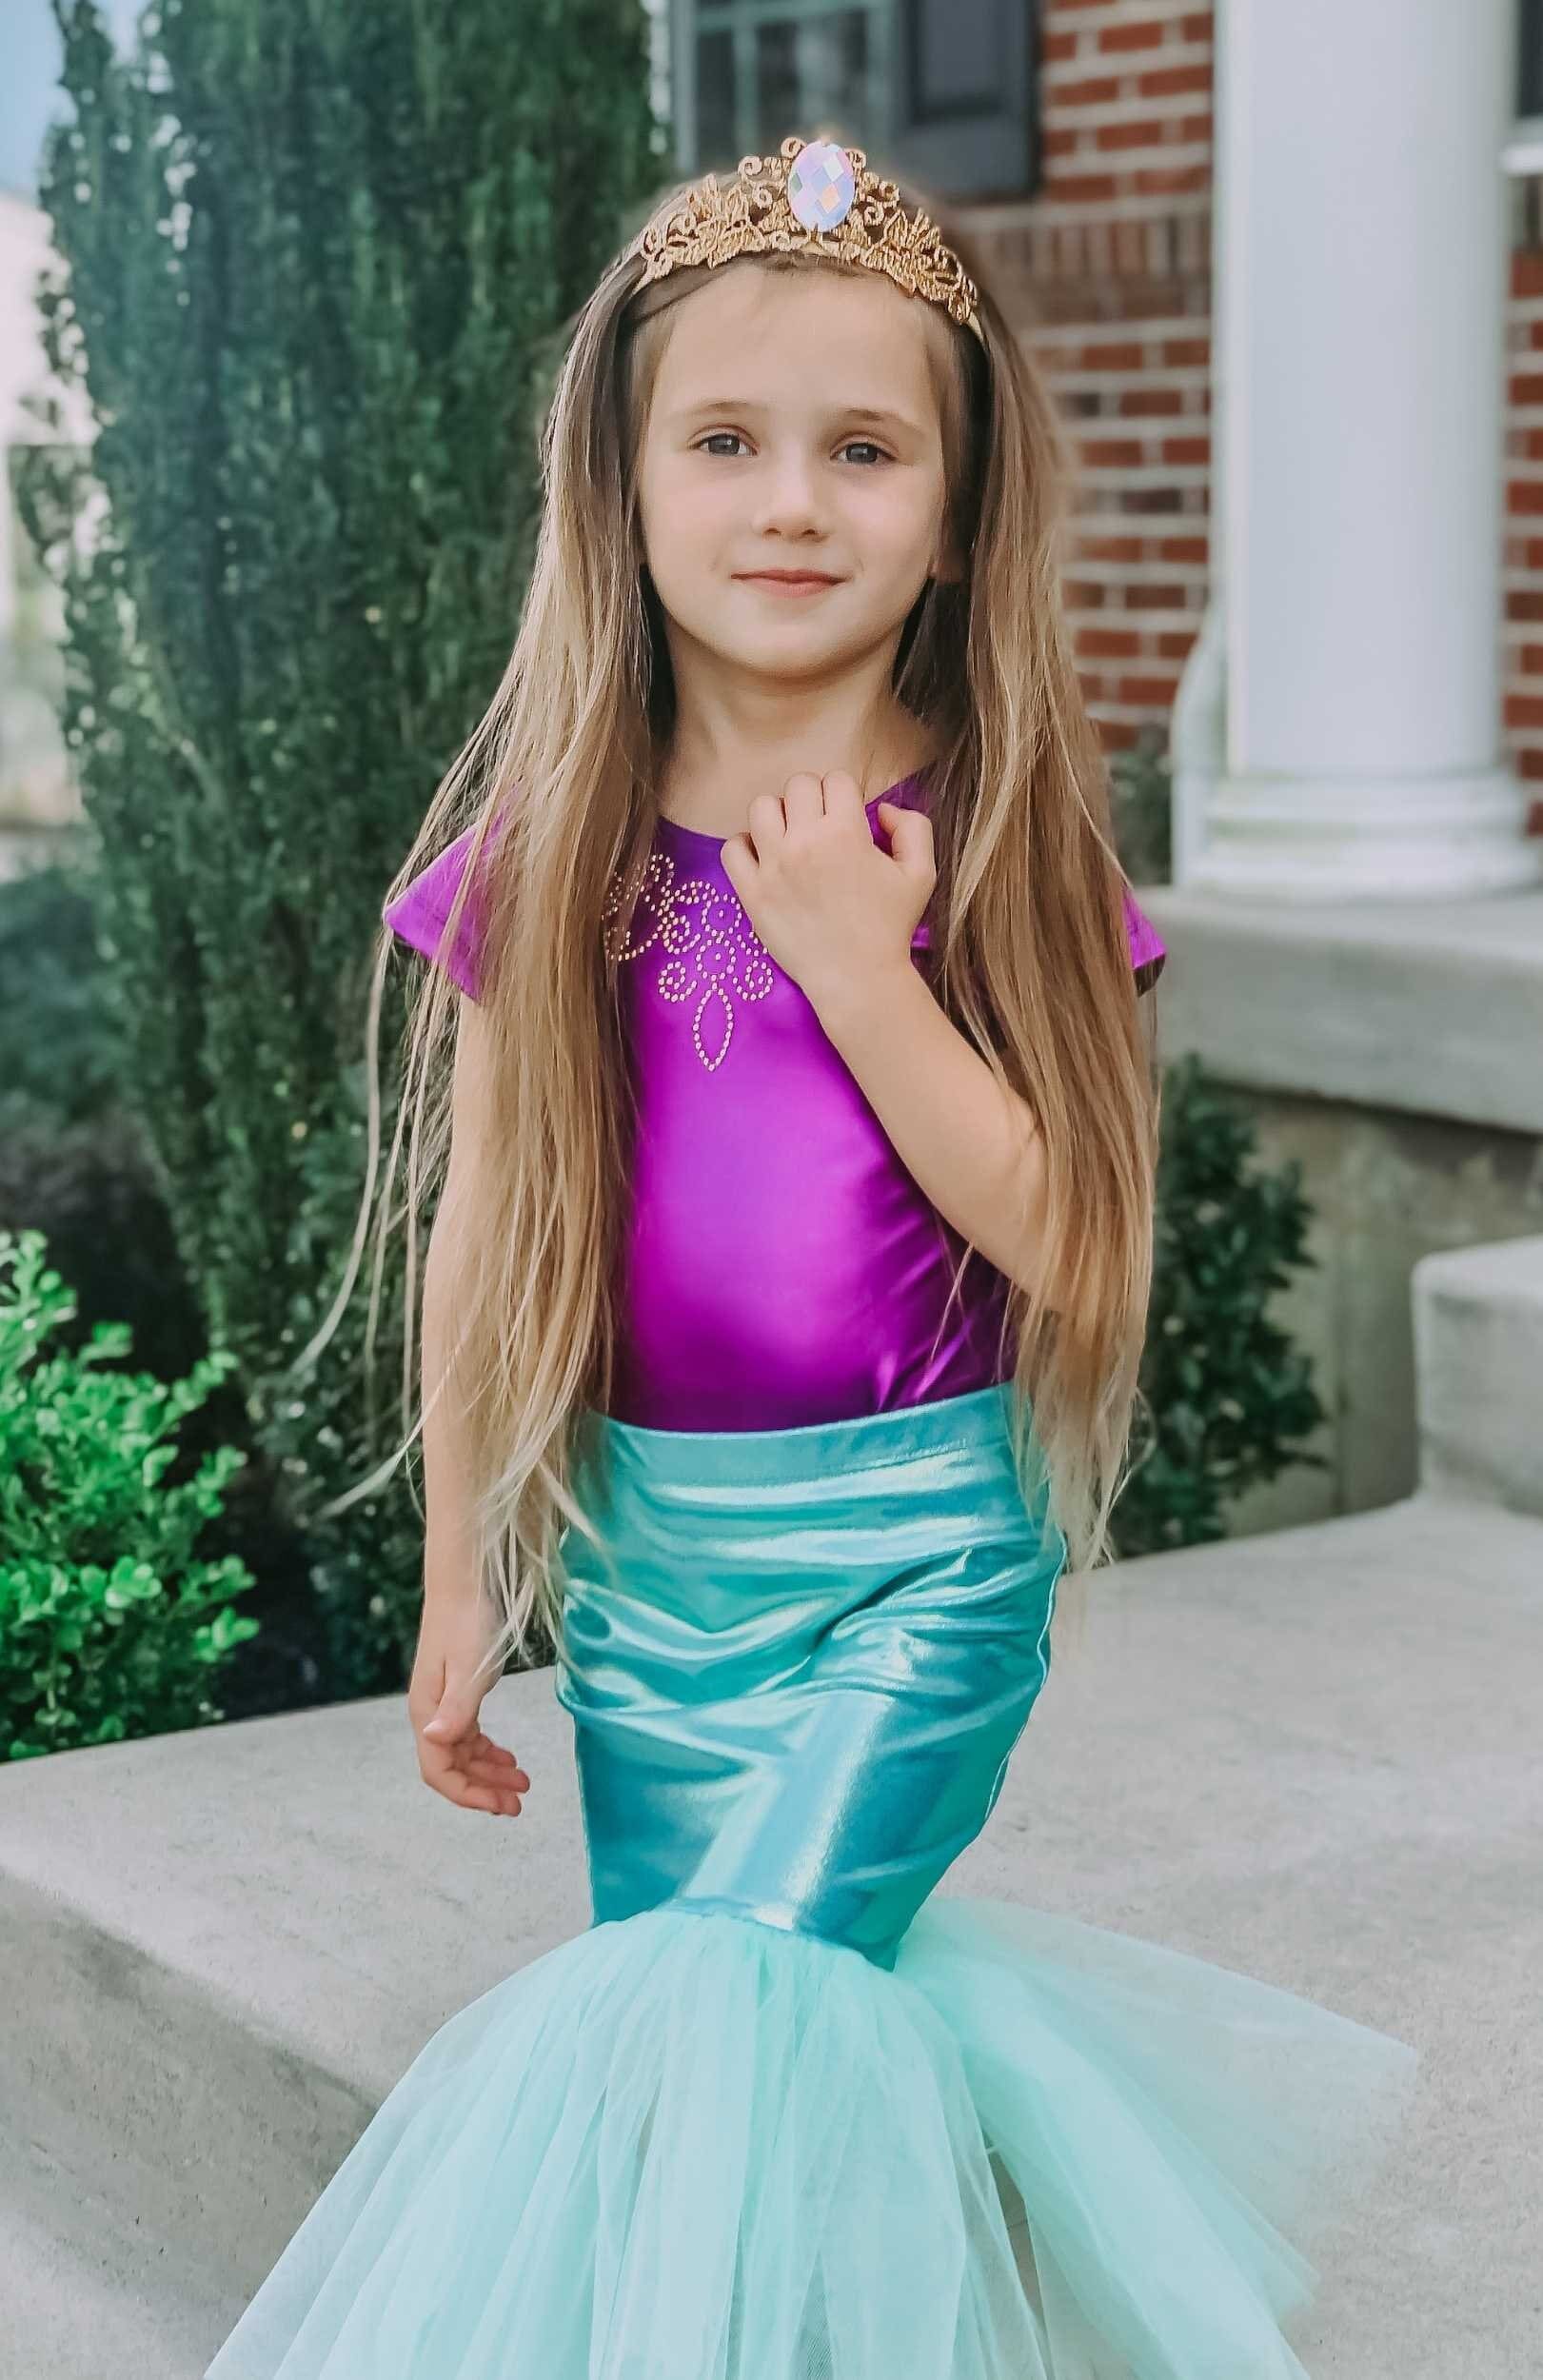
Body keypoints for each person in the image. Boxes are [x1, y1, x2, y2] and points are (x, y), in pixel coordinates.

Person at [205, 133, 1416, 2380]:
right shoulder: (555, 839)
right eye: (727, 441)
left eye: (863, 450)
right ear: (622, 481)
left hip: (917, 1561)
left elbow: (1068, 1237)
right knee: (744, 2061)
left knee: (737, 1987)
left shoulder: (993, 824)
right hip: (660, 1590)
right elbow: (486, 1230)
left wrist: (868, 967)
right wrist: (467, 1576)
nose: (790, 503)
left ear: (953, 511)